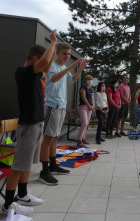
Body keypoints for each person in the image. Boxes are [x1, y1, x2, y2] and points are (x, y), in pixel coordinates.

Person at [2, 30, 56, 215]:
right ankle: (8, 204)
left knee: (27, 164)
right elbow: (44, 63)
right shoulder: (23, 72)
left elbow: (46, 66)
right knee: (18, 166)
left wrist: (54, 52)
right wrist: (53, 42)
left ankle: (22, 194)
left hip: (37, 124)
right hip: (28, 125)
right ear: (35, 59)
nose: (45, 68)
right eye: (41, 62)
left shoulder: (35, 75)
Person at [40, 42, 87, 185]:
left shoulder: (62, 67)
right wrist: (72, 66)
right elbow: (53, 79)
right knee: (47, 139)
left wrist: (80, 69)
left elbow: (72, 80)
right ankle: (44, 171)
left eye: (68, 54)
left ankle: (53, 165)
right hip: (51, 106)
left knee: (54, 138)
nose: (67, 56)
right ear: (57, 53)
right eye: (64, 54)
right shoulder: (52, 66)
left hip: (61, 106)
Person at [77, 75, 95, 146]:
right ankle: (79, 140)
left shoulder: (90, 89)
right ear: (86, 80)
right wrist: (88, 105)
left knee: (87, 124)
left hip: (89, 108)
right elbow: (84, 97)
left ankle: (83, 138)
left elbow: (91, 98)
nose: (90, 81)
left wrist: (92, 105)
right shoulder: (83, 87)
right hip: (83, 107)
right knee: (84, 123)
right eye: (89, 79)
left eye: (91, 79)